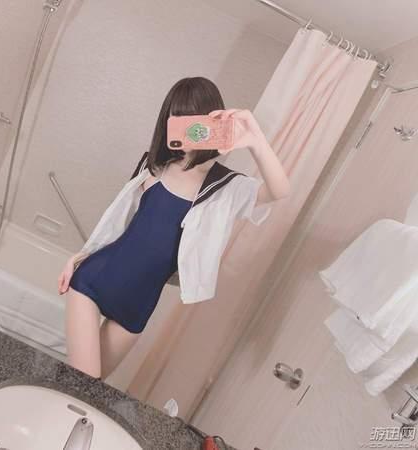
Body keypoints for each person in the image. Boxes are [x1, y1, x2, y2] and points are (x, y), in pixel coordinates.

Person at [57, 76, 290, 379]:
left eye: (194, 121)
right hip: (94, 281)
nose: (187, 129)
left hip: (137, 307)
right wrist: (80, 256)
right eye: (178, 119)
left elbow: (280, 190)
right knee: (82, 381)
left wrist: (255, 139)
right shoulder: (154, 166)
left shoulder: (225, 187)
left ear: (212, 122)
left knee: (89, 388)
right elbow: (117, 224)